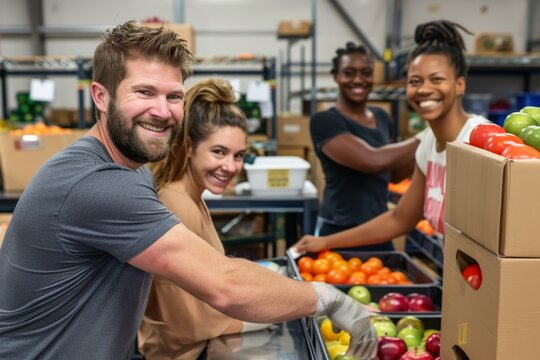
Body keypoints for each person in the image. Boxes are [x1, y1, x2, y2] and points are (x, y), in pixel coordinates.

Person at [0, 21, 377, 360]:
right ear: (100, 96)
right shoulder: (98, 184)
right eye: (144, 92)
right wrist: (325, 298)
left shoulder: (130, 173)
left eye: (174, 96)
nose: (162, 111)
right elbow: (226, 286)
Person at [294, 20, 489, 254]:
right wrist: (327, 241)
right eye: (415, 81)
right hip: (454, 275)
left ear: (459, 84)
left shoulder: (478, 139)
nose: (424, 89)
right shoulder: (428, 144)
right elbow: (399, 218)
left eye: (436, 79)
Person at [138, 77, 272, 359]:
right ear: (189, 147)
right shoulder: (177, 207)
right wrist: (269, 314)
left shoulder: (193, 199)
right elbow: (185, 321)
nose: (230, 166)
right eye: (219, 152)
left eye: (239, 156)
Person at [311, 41, 422, 251]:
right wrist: (426, 136)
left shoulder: (381, 117)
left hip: (379, 229)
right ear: (336, 76)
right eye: (349, 73)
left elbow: (394, 174)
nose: (358, 80)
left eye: (366, 72)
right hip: (338, 231)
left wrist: (427, 149)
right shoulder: (324, 121)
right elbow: (373, 161)